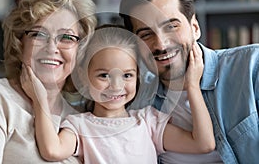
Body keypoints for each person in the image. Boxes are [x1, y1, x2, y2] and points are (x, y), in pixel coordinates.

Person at [21, 27, 215, 163]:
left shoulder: (147, 121)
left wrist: (192, 86)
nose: (116, 86)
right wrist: (40, 100)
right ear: (83, 76)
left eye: (127, 75)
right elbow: (52, 150)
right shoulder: (79, 126)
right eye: (104, 75)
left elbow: (203, 143)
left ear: (137, 77)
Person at [119, 0, 259, 164]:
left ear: (195, 27)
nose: (161, 44)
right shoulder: (133, 101)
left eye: (171, 26)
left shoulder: (251, 67)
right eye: (146, 34)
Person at [0, 0, 97, 163]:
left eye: (67, 37)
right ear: (19, 43)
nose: (52, 48)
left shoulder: (79, 118)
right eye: (39, 34)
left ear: (80, 52)